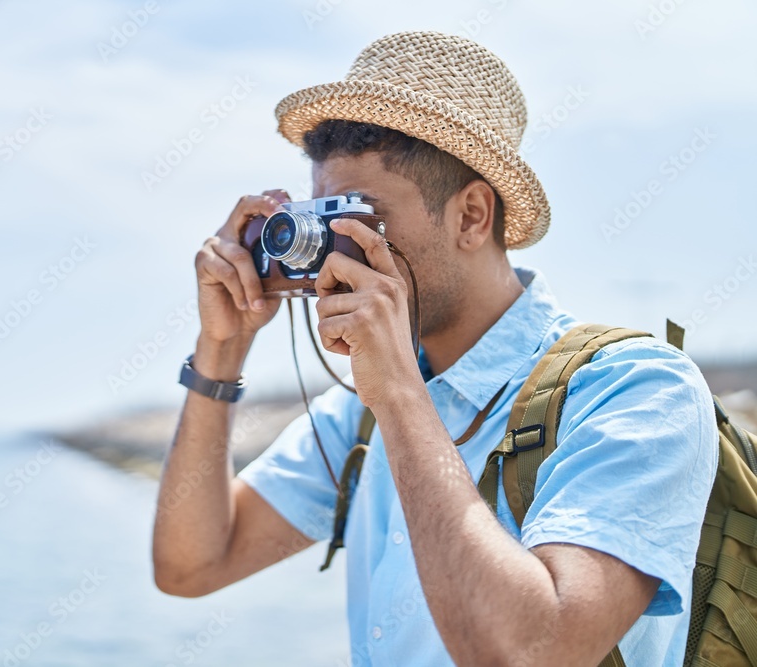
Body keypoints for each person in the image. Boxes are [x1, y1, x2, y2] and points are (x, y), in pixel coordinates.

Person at [151, 31, 718, 666]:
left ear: (472, 216)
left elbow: (534, 655)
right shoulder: (357, 417)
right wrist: (221, 352)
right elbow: (190, 565)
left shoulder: (637, 390)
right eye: (322, 220)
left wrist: (397, 396)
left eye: (361, 220)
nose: (336, 254)